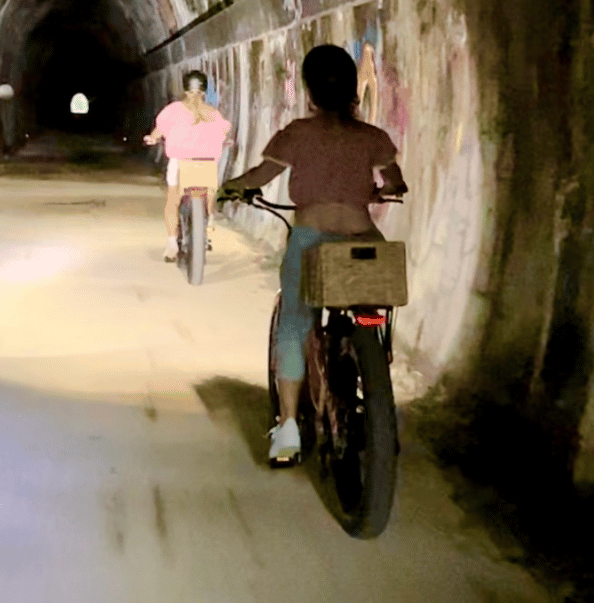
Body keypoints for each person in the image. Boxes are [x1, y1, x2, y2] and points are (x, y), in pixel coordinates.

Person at [220, 44, 407, 464]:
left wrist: (233, 186)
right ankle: (374, 364)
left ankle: (287, 430)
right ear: (353, 91)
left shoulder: (296, 134)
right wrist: (384, 189)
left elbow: (259, 175)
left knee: (295, 320)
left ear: (309, 92)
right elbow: (396, 182)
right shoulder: (372, 137)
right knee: (373, 305)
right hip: (363, 240)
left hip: (312, 239)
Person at [143, 70, 232, 262]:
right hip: (207, 164)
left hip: (181, 163)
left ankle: (171, 244)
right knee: (209, 192)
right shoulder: (213, 113)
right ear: (204, 90)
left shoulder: (173, 110)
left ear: (184, 90)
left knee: (172, 201)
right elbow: (225, 131)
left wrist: (152, 138)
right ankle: (206, 228)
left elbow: (159, 131)